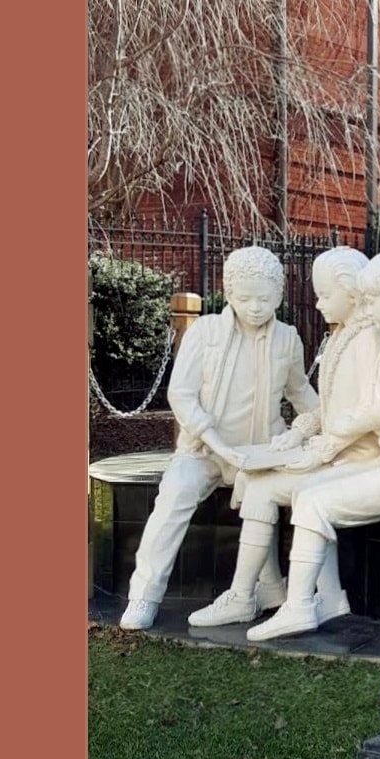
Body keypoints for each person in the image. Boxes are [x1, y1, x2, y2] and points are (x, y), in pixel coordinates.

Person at [248, 253, 380, 642]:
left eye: (372, 301)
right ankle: (326, 600)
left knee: (314, 501)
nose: (368, 309)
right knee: (310, 492)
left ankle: (298, 608)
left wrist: (333, 432)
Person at [116, 246, 315, 631]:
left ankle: (269, 590)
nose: (255, 307)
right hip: (204, 450)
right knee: (172, 499)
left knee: (268, 502)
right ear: (228, 294)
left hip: (259, 455)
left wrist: (328, 420)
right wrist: (216, 443)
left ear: (279, 295)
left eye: (265, 298)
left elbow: (301, 393)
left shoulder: (288, 339)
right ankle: (145, 594)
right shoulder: (205, 333)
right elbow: (182, 394)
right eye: (244, 298)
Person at [186, 246, 377, 628]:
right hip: (335, 450)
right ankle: (247, 595)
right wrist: (297, 435)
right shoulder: (343, 337)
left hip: (360, 458)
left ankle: (297, 597)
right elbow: (327, 408)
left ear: (352, 293)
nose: (317, 305)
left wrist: (316, 449)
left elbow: (366, 414)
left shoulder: (369, 341)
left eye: (324, 296)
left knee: (281, 487)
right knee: (257, 484)